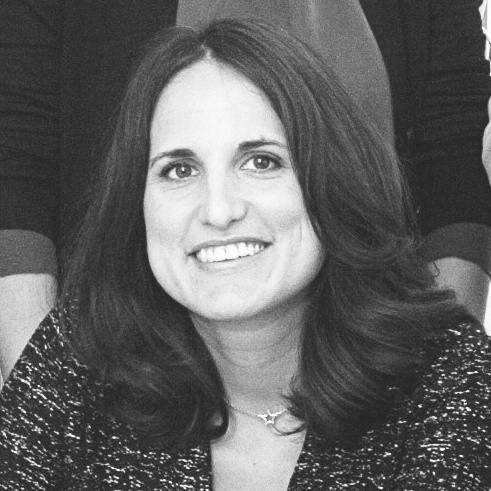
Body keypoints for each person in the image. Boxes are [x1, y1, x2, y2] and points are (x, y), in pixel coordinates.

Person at [1, 19, 490, 489]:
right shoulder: (78, 352)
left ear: (331, 181)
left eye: (261, 162)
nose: (218, 211)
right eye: (179, 170)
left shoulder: (454, 384)